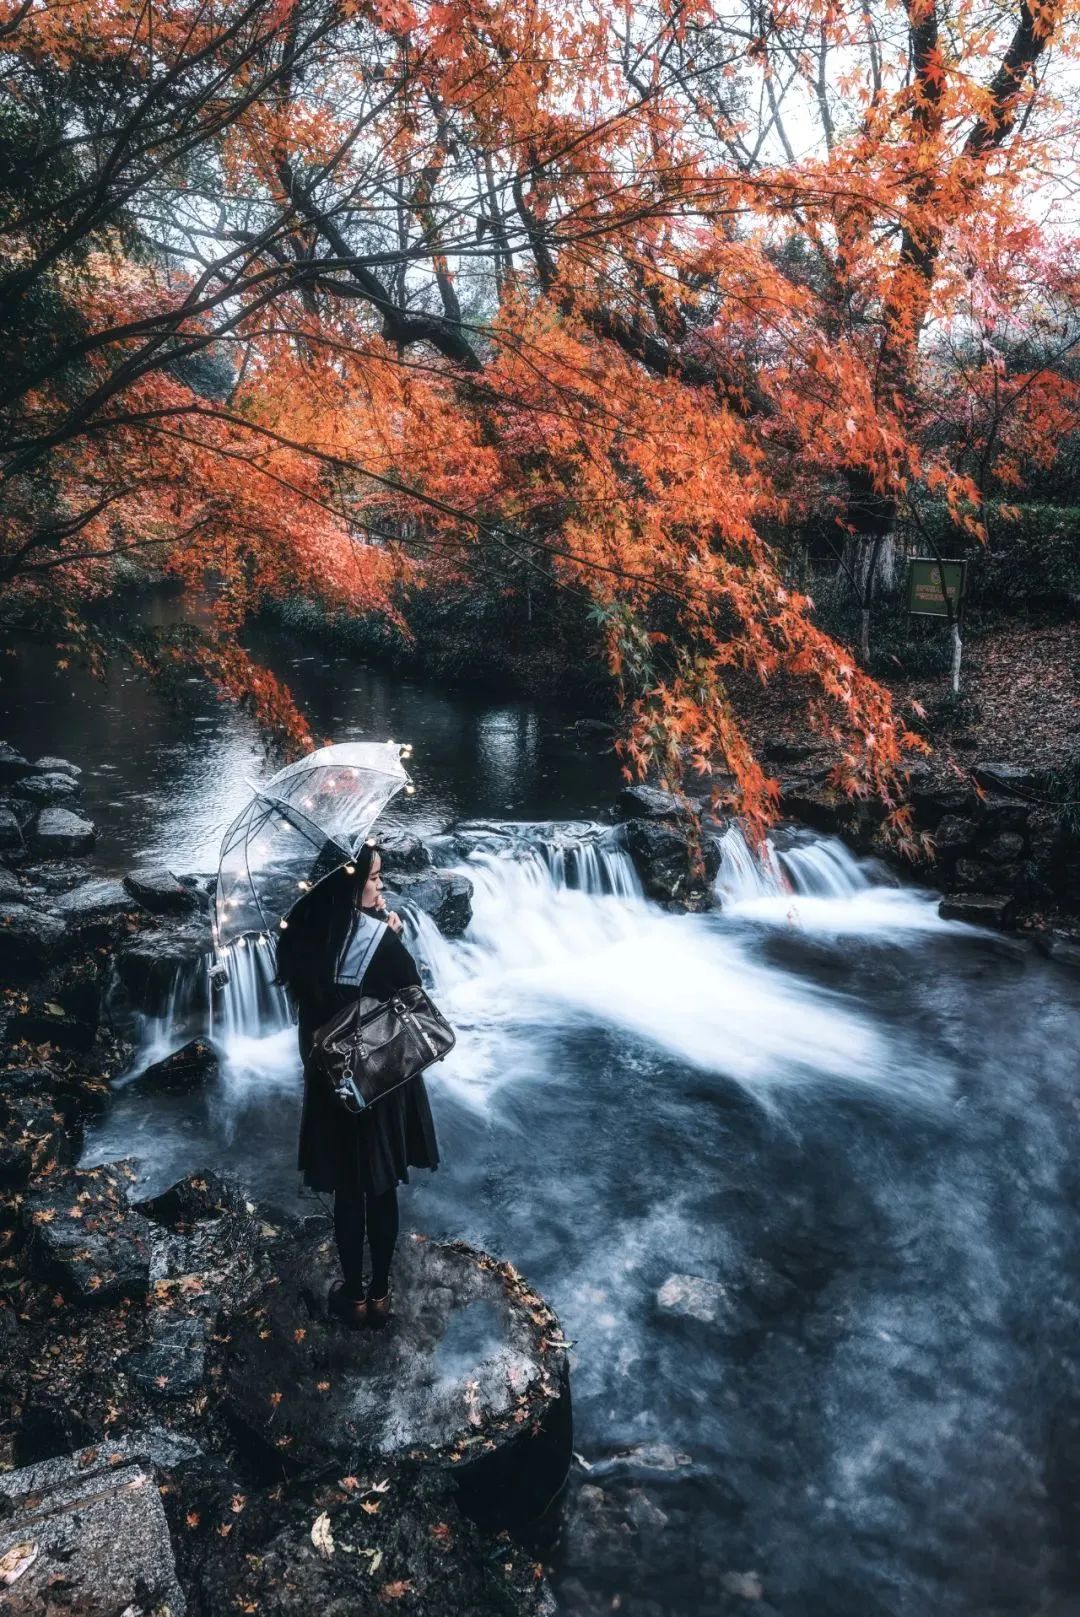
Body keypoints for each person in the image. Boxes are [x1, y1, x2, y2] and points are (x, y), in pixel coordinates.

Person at [273, 842, 440, 1329]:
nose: (380, 886)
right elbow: (413, 996)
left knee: (349, 1191)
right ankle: (382, 1293)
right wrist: (392, 936)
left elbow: (306, 1009)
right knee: (382, 1189)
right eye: (372, 879)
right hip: (382, 1081)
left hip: (331, 1085)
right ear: (350, 885)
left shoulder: (299, 935)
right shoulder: (377, 940)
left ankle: (352, 1292)